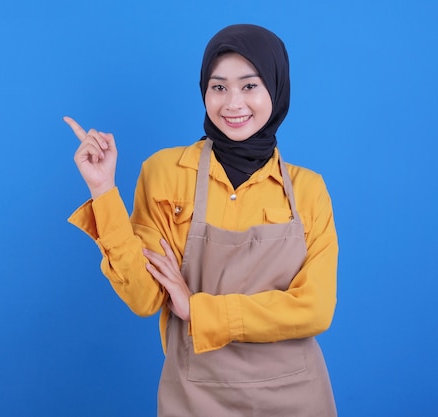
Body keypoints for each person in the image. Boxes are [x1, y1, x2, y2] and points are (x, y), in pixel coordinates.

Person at [64, 23, 338, 416]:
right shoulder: (164, 172)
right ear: (204, 91)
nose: (232, 103)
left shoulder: (308, 189)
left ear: (276, 90)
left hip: (296, 395)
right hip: (195, 395)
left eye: (249, 85)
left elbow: (315, 308)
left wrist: (198, 310)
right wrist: (103, 190)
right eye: (218, 86)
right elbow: (144, 299)